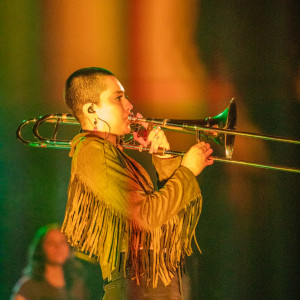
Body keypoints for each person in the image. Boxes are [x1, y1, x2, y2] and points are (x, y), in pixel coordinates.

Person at [61, 67, 213, 299]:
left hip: (148, 283)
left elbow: (165, 215)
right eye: (119, 98)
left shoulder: (112, 154)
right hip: (137, 286)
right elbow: (147, 216)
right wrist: (188, 170)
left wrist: (164, 159)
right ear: (92, 109)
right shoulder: (94, 150)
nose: (130, 105)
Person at [11, 224, 88, 300]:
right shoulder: (28, 287)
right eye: (51, 243)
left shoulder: (76, 285)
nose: (58, 247)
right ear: (41, 249)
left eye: (62, 242)